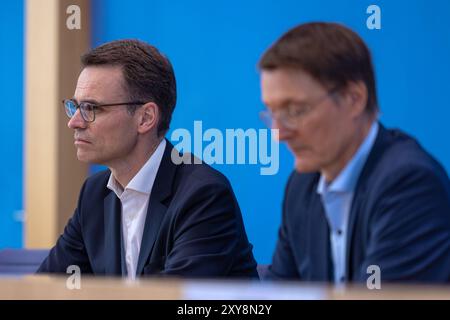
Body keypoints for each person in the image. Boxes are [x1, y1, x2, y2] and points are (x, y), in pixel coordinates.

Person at [38, 39, 258, 279]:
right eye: (75, 106)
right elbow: (46, 287)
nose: (74, 122)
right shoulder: (94, 193)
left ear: (145, 118)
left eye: (91, 108)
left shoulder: (204, 194)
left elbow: (176, 299)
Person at [258, 22, 450, 283]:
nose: (278, 134)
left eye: (295, 111)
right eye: (273, 113)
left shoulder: (409, 183)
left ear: (354, 98)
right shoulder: (301, 185)